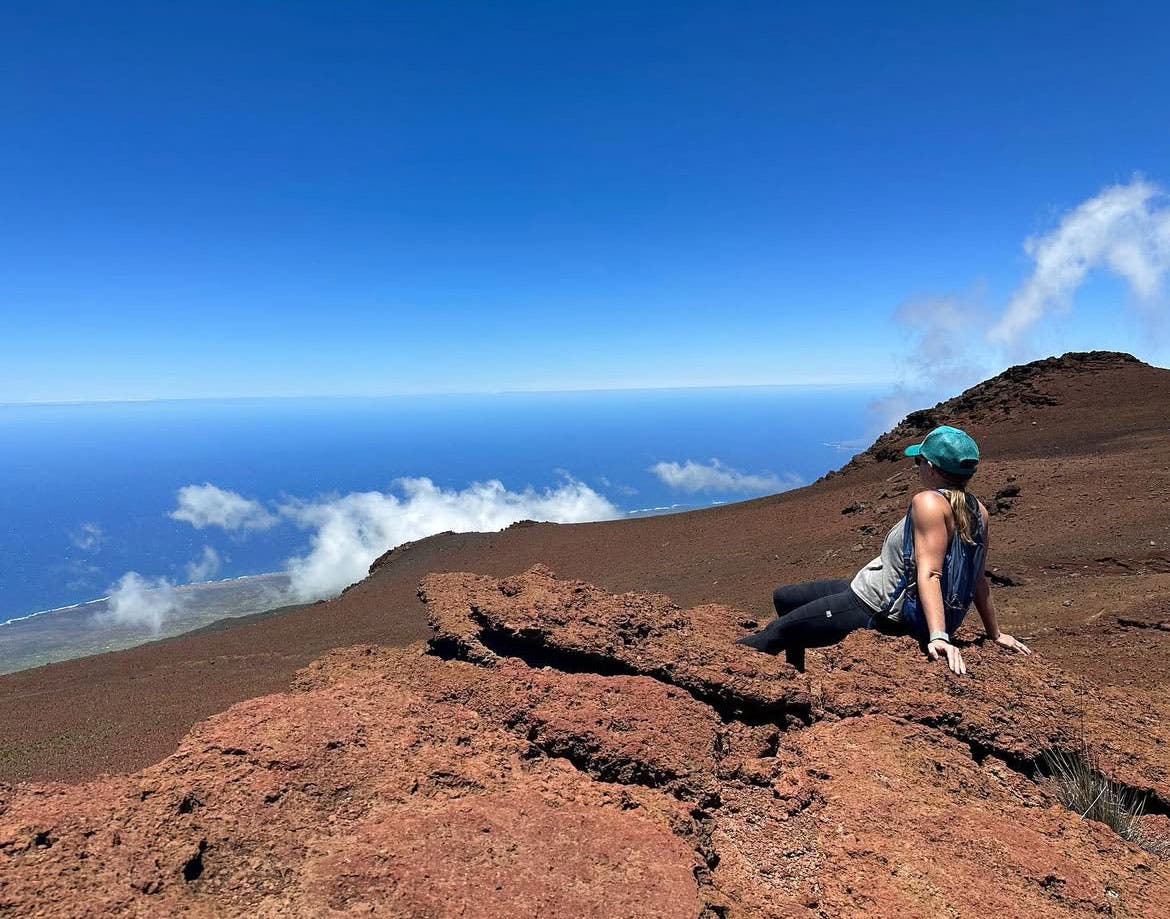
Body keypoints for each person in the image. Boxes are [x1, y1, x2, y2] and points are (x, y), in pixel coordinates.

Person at [736, 424, 1032, 674]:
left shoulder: (928, 502)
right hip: (871, 586)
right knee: (784, 597)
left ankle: (730, 669)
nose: (917, 467)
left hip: (876, 607)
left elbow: (931, 573)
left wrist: (939, 636)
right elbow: (977, 579)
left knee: (775, 633)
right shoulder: (978, 510)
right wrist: (994, 633)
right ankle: (794, 673)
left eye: (919, 462)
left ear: (930, 468)